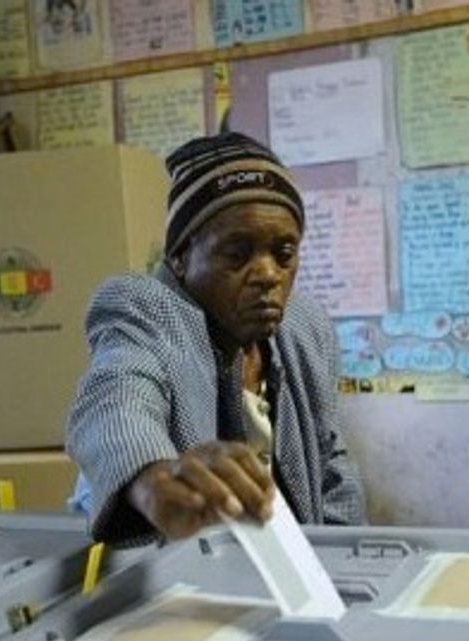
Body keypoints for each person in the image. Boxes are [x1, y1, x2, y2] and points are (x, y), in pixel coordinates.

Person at [67, 132, 364, 546]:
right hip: (167, 573)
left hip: (290, 569)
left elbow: (330, 464)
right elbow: (116, 399)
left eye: (283, 253)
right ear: (180, 258)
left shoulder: (306, 328)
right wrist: (154, 477)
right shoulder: (145, 307)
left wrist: (346, 564)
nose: (267, 275)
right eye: (237, 254)